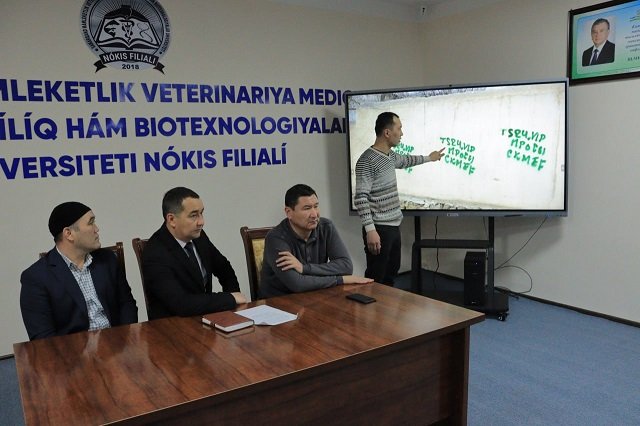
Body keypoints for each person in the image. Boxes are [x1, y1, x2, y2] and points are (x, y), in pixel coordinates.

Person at [20, 202, 138, 340]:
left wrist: (124, 338)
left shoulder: (107, 260)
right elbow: (42, 338)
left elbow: (127, 303)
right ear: (69, 234)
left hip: (116, 343)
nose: (97, 229)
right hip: (73, 350)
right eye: (91, 223)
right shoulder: (36, 277)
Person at [355, 112, 444, 287]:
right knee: (376, 277)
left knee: (390, 274)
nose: (402, 133)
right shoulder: (367, 160)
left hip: (393, 226)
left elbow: (406, 160)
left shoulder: (390, 156)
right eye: (399, 128)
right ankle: (371, 305)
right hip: (379, 228)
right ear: (387, 132)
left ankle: (385, 304)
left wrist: (429, 158)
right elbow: (361, 198)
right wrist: (370, 230)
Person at [142, 187, 247, 320]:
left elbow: (225, 269)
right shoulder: (155, 253)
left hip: (205, 317)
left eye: (201, 213)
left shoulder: (199, 237)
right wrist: (229, 298)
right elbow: (181, 303)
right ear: (172, 219)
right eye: (193, 215)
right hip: (173, 325)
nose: (201, 222)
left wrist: (233, 309)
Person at [260, 184, 372, 298]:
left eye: (316, 206)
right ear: (289, 212)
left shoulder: (326, 227)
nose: (314, 214)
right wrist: (341, 279)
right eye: (307, 208)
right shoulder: (276, 238)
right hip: (279, 301)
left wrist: (304, 268)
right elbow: (298, 284)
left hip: (315, 296)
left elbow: (346, 266)